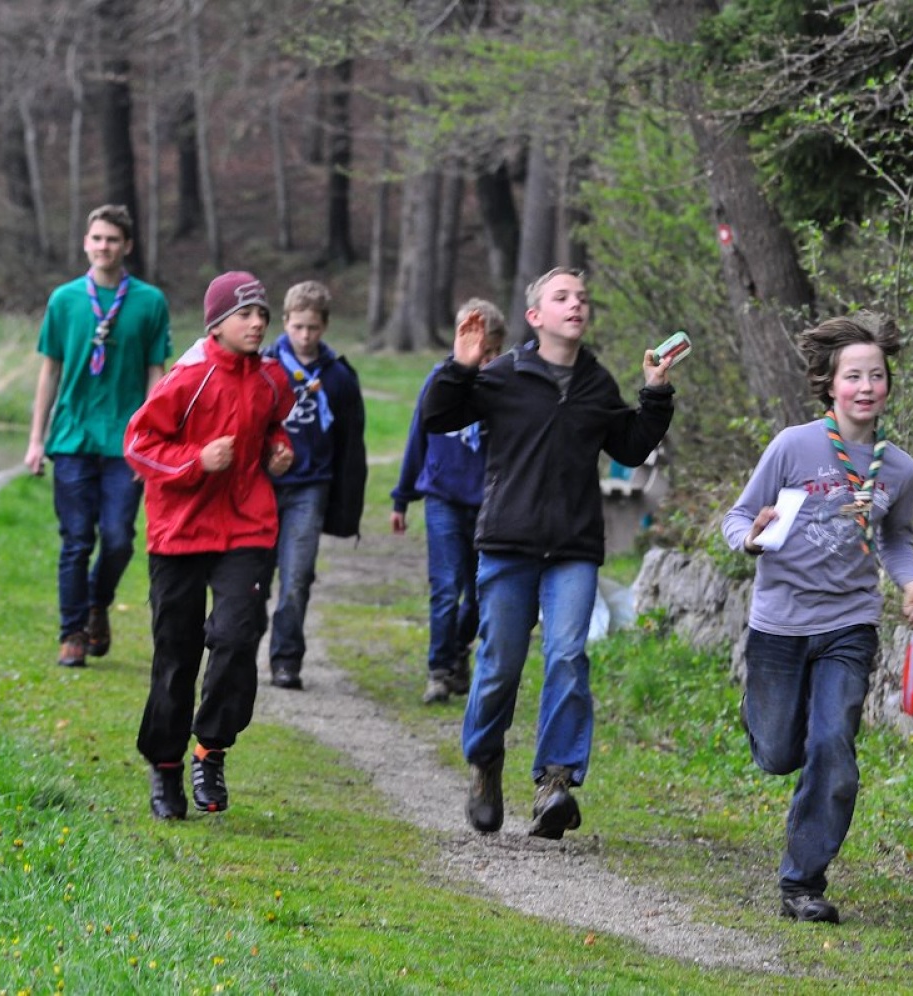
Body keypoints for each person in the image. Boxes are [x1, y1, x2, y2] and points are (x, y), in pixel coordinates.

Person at [422, 267, 678, 840]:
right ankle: (486, 763)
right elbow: (438, 416)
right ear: (536, 316)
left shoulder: (595, 383)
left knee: (567, 657)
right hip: (508, 541)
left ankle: (555, 782)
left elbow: (632, 447)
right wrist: (462, 364)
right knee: (498, 667)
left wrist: (655, 392)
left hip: (573, 546)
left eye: (582, 297)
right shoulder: (506, 374)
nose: (576, 304)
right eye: (561, 297)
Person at [721, 311, 913, 925]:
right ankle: (764, 719)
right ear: (829, 384)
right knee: (779, 751)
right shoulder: (794, 446)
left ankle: (803, 883)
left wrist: (912, 582)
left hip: (850, 622)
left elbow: (895, 540)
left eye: (877, 376)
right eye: (853, 376)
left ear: (888, 384)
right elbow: (739, 517)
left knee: (833, 745)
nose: (866, 387)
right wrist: (752, 541)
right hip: (780, 624)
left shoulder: (899, 468)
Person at [124, 271, 296, 819]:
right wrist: (196, 461)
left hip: (247, 526)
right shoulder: (188, 377)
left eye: (262, 314)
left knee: (237, 637)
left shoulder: (272, 378)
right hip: (179, 531)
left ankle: (210, 748)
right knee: (176, 655)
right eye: (245, 314)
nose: (257, 323)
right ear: (216, 322)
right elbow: (139, 445)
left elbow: (273, 425)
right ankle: (166, 769)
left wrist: (277, 449)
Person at [24, 204, 172, 669]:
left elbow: (156, 372)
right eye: (97, 238)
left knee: (119, 538)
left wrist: (151, 437)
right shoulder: (65, 300)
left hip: (124, 443)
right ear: (85, 243)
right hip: (71, 436)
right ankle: (71, 633)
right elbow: (49, 370)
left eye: (113, 239)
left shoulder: (150, 302)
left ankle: (96, 603)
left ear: (127, 246)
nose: (104, 246)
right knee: (75, 540)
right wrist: (35, 439)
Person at [390, 299, 507, 705]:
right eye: (477, 348)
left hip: (489, 504)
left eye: (492, 352)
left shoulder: (503, 390)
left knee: (479, 592)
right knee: (445, 587)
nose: (483, 359)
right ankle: (439, 670)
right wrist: (402, 497)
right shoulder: (440, 383)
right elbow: (417, 439)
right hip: (442, 498)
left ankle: (459, 651)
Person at [260, 281, 367, 690]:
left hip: (311, 488)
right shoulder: (265, 366)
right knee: (255, 576)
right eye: (298, 327)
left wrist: (346, 504)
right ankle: (240, 645)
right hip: (264, 487)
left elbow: (350, 442)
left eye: (313, 328)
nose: (305, 336)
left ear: (324, 327)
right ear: (285, 322)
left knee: (296, 577)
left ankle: (286, 659)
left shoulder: (338, 376)